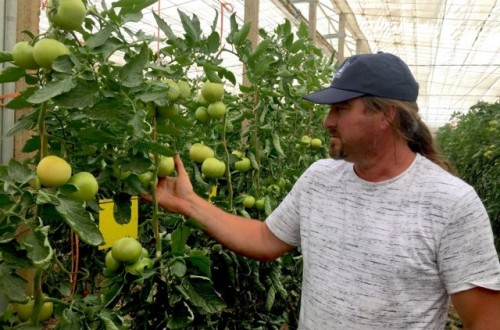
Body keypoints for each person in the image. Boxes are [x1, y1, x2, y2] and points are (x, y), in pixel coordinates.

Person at [143, 52, 500, 329]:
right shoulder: (320, 179)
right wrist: (188, 202)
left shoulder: (450, 203)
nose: (327, 121)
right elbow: (266, 240)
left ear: (386, 115)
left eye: (341, 109)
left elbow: (485, 321)